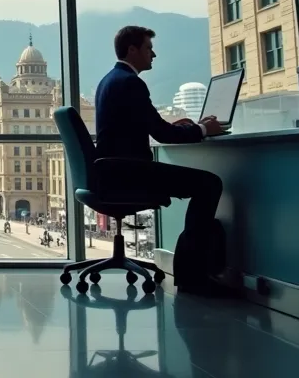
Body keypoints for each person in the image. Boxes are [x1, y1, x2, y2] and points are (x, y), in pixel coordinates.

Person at [92, 25, 229, 296]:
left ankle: (189, 269)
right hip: (130, 172)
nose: (153, 55)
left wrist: (184, 127)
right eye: (148, 48)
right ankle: (192, 275)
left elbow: (146, 126)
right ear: (132, 50)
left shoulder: (110, 80)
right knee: (209, 184)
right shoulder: (131, 83)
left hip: (116, 171)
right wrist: (203, 130)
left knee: (205, 184)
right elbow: (162, 133)